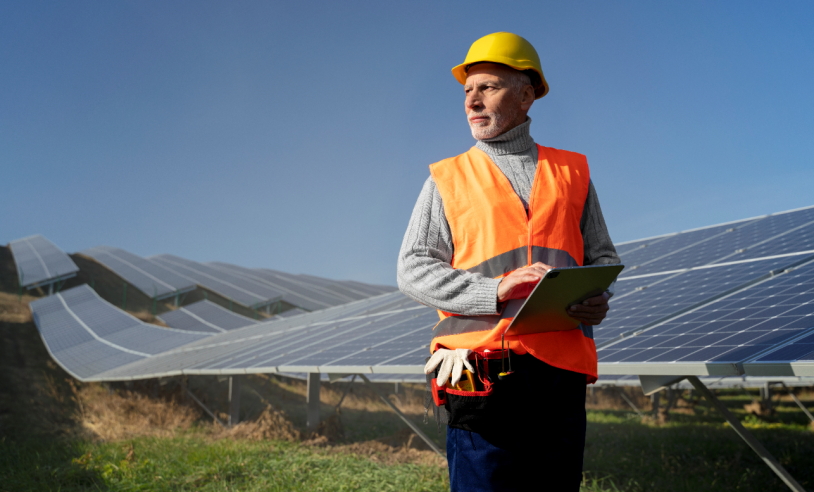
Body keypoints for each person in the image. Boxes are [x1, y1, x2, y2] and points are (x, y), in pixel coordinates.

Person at [397, 32, 620, 491]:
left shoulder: (573, 173)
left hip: (559, 376)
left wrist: (597, 298)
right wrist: (493, 290)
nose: (472, 100)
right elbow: (412, 270)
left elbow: (602, 257)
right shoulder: (448, 178)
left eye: (488, 87)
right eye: (467, 91)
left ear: (526, 94)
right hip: (482, 371)